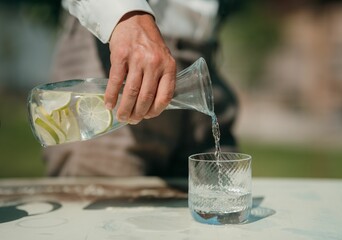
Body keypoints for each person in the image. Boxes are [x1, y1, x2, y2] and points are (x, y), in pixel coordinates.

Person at [43, 0, 240, 177]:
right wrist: (127, 14)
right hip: (118, 44)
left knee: (218, 204)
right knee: (107, 211)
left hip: (202, 55)